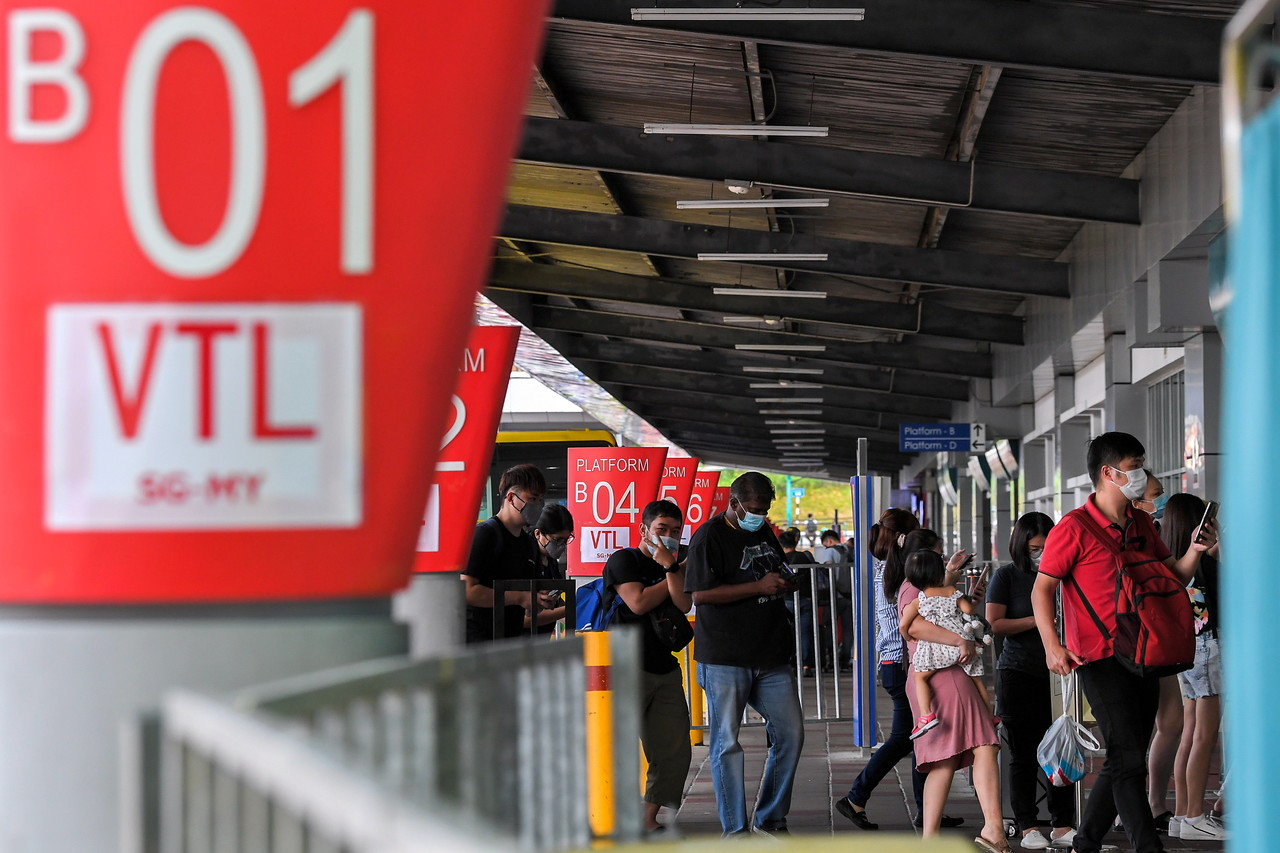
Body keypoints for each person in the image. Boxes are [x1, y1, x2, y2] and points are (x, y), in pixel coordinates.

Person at [1031, 432, 1216, 853]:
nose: (1141, 474)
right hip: (1098, 656)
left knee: (1123, 755)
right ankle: (1147, 846)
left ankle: (1086, 840)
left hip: (1145, 652)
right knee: (1128, 756)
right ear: (1107, 473)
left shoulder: (1140, 524)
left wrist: (1195, 550)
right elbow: (1042, 590)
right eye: (1134, 467)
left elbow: (1175, 578)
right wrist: (1051, 645)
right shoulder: (1073, 528)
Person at [686, 472, 803, 837]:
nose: (759, 515)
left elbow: (776, 568)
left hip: (769, 653)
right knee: (727, 744)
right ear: (733, 503)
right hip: (725, 656)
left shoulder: (761, 530)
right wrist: (757, 586)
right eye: (753, 509)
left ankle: (770, 816)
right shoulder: (708, 536)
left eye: (764, 509)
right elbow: (699, 595)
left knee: (791, 734)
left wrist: (787, 580)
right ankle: (735, 831)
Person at [895, 529, 1006, 851]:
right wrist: (962, 640)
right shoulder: (918, 592)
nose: (947, 559)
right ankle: (994, 830)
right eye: (941, 555)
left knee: (944, 758)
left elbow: (910, 624)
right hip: (949, 676)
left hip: (931, 677)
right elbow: (913, 627)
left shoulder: (919, 588)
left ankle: (932, 838)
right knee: (984, 744)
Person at [987, 512, 1077, 850]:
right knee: (1023, 754)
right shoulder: (1007, 577)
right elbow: (994, 623)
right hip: (1019, 672)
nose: (1040, 553)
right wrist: (1039, 620)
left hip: (1060, 675)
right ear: (1020, 546)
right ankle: (1027, 825)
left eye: (1046, 546)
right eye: (1035, 547)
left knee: (1062, 751)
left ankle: (1063, 824)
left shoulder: (1063, 574)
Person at [603, 499, 693, 833]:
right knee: (616, 745)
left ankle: (647, 816)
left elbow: (684, 603)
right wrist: (670, 574)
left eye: (675, 531)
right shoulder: (624, 559)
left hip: (665, 668)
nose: (668, 536)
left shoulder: (674, 563)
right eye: (661, 529)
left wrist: (671, 568)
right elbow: (637, 602)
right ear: (643, 529)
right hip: (625, 666)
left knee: (673, 749)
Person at [1161, 494, 1225, 842]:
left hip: (1187, 649)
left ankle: (1184, 814)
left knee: (1189, 732)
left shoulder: (1176, 562)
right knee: (1205, 735)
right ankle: (1196, 815)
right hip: (1211, 647)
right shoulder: (1206, 563)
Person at [900, 550, 994, 738]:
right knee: (978, 682)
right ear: (940, 571)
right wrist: (970, 600)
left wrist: (908, 637)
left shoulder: (919, 601)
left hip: (937, 653)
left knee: (920, 678)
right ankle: (991, 717)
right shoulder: (952, 592)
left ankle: (926, 715)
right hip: (964, 647)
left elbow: (903, 625)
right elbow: (969, 609)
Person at [1133, 471, 1179, 830]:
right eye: (1157, 493)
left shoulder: (1154, 535)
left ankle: (1150, 804)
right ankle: (1138, 808)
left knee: (1170, 723)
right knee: (1135, 734)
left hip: (1160, 641)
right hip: (1138, 643)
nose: (1163, 499)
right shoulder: (1133, 536)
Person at [462, 464, 545, 643]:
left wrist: (537, 599)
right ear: (511, 498)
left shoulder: (529, 543)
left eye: (540, 500)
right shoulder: (485, 534)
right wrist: (520, 597)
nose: (537, 506)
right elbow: (466, 590)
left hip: (510, 643)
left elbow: (526, 592)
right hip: (479, 644)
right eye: (532, 498)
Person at [529, 504, 574, 635]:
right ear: (538, 533)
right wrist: (570, 609)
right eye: (557, 540)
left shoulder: (551, 562)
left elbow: (555, 602)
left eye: (566, 540)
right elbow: (525, 618)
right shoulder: (527, 561)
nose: (562, 546)